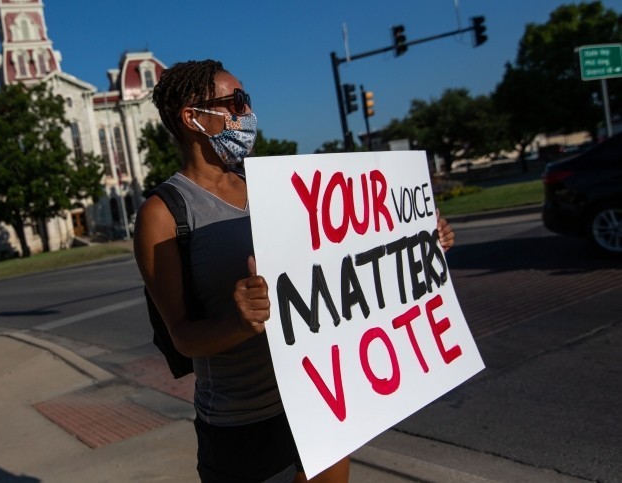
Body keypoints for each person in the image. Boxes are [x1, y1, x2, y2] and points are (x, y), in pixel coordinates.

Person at [134, 59, 456, 483]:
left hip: (318, 402)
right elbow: (183, 336)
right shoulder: (163, 213)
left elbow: (348, 260)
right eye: (236, 101)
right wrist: (242, 322)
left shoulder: (274, 188)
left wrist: (417, 240)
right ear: (193, 117)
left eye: (246, 100)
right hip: (243, 424)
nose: (247, 113)